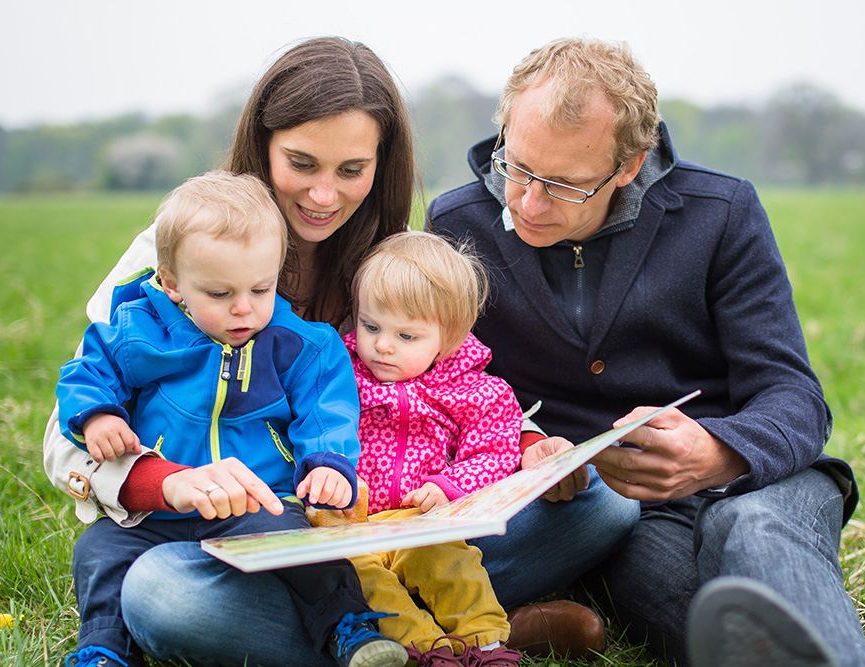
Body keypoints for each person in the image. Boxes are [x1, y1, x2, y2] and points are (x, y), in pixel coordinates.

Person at [43, 36, 637, 667]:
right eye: (302, 164)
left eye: (351, 171)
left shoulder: (395, 252)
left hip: (394, 522)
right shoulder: (182, 249)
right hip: (244, 533)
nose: (324, 196)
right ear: (261, 146)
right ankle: (441, 639)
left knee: (603, 504)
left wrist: (527, 446)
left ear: (382, 165)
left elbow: (445, 374)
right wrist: (176, 484)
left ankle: (424, 628)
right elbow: (66, 438)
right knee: (162, 594)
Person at [426, 37, 865, 666]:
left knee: (752, 531)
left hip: (761, 481)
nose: (527, 202)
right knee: (680, 604)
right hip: (623, 516)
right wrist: (526, 449)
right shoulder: (455, 226)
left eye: (563, 185)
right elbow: (444, 392)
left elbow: (794, 394)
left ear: (629, 164)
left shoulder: (722, 212)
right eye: (518, 168)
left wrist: (719, 453)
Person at [55, 171, 408, 667]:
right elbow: (86, 372)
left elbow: (326, 408)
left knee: (301, 546)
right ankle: (105, 648)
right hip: (162, 511)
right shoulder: (137, 330)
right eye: (219, 295)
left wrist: (327, 464)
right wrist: (96, 417)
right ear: (173, 283)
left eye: (260, 290)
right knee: (99, 550)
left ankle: (348, 626)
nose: (244, 309)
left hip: (257, 501)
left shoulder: (298, 344)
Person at [322, 231, 533, 666]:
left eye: (406, 335)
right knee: (363, 580)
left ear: (449, 337)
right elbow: (316, 428)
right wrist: (334, 477)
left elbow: (495, 451)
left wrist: (449, 485)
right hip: (352, 522)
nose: (382, 345)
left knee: (451, 563)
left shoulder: (474, 390)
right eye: (371, 326)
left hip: (424, 519)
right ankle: (423, 651)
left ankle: (486, 643)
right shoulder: (340, 375)